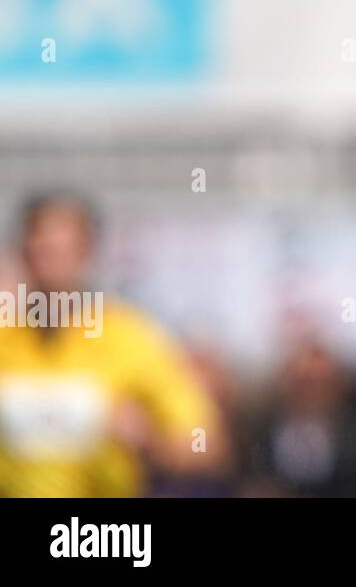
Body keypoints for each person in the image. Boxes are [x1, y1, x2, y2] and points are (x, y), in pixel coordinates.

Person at [0, 193, 228, 496]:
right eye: (39, 251)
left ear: (88, 254)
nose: (47, 265)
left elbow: (207, 444)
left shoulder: (130, 336)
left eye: (60, 252)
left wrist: (147, 438)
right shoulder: (6, 336)